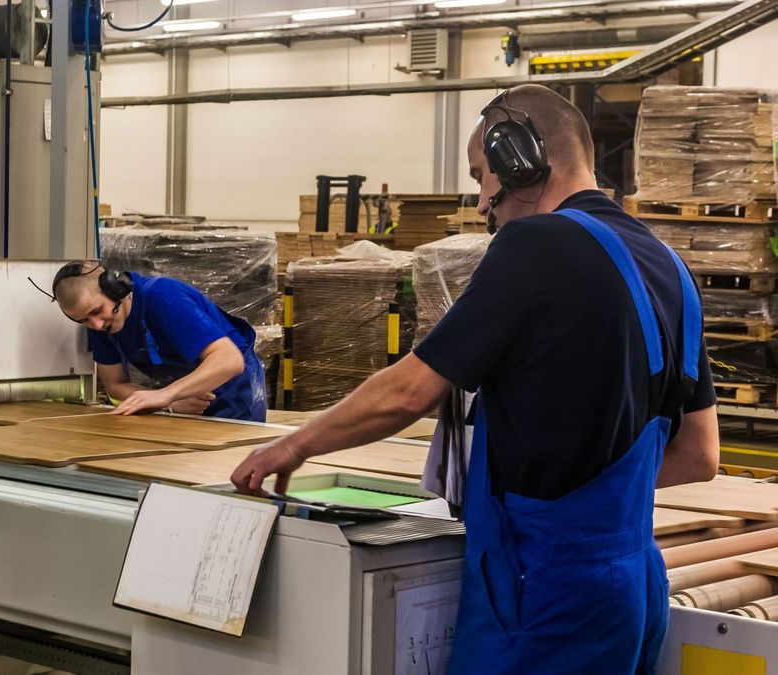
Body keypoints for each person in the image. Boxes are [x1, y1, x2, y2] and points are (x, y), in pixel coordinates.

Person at [230, 84, 720, 673]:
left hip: (541, 589)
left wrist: (294, 444)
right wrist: (593, 502)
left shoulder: (538, 244)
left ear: (523, 160)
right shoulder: (670, 267)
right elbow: (700, 456)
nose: (483, 200)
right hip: (635, 586)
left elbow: (410, 389)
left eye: (481, 174)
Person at [51, 261, 267, 421]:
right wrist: (170, 402)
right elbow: (114, 385)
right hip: (183, 397)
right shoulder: (101, 323)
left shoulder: (164, 298)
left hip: (234, 393)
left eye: (97, 311)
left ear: (117, 289)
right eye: (84, 320)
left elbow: (230, 361)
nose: (96, 325)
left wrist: (166, 395)